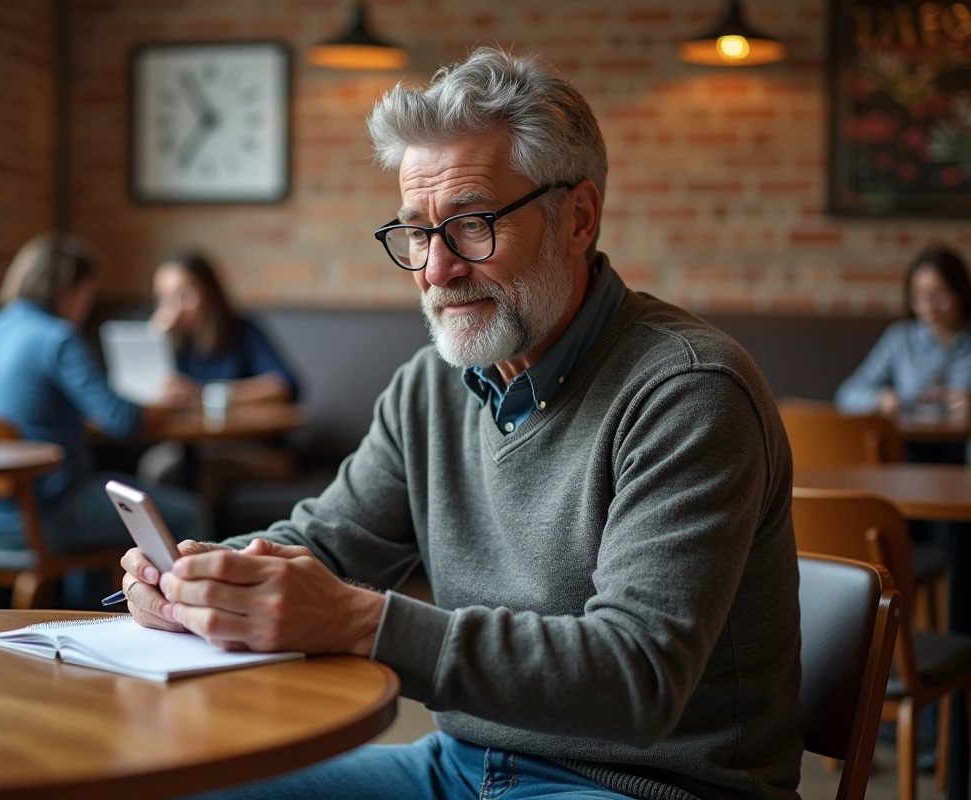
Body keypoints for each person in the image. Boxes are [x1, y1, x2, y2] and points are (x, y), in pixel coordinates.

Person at [122, 49, 802, 800]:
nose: (437, 270)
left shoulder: (689, 390)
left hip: (646, 785)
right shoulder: (431, 389)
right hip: (458, 767)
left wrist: (360, 623)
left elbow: (636, 675)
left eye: (473, 224)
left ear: (577, 219)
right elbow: (324, 544)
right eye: (418, 233)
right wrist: (196, 574)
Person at [0, 233, 209, 604]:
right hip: (40, 516)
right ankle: (191, 631)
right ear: (69, 292)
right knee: (189, 514)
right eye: (87, 296)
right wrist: (165, 403)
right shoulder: (57, 337)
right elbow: (119, 419)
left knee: (94, 498)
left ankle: (87, 615)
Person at [137, 249, 299, 490]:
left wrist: (202, 394)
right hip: (197, 447)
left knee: (198, 472)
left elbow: (282, 387)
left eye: (184, 295)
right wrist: (153, 342)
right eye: (164, 299)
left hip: (259, 450)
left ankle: (193, 528)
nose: (175, 308)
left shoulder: (242, 332)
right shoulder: (174, 343)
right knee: (154, 466)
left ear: (209, 293)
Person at [836, 245, 971, 421]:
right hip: (909, 444)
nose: (929, 305)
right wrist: (880, 400)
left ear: (960, 293)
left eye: (940, 293)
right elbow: (846, 395)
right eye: (920, 295)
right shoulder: (900, 339)